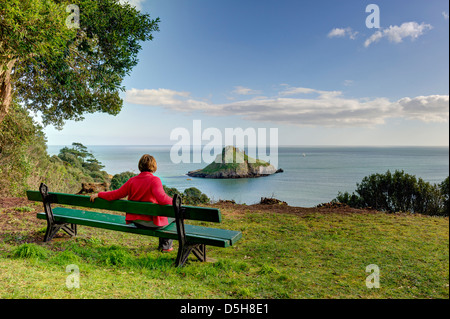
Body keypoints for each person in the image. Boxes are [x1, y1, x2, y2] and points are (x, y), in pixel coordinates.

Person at [90, 154, 174, 252]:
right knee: (175, 216)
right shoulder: (155, 180)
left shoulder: (132, 181)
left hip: (137, 222)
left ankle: (164, 246)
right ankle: (166, 247)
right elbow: (162, 199)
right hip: (153, 223)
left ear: (140, 166)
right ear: (154, 166)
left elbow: (116, 194)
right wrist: (176, 202)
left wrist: (100, 194)